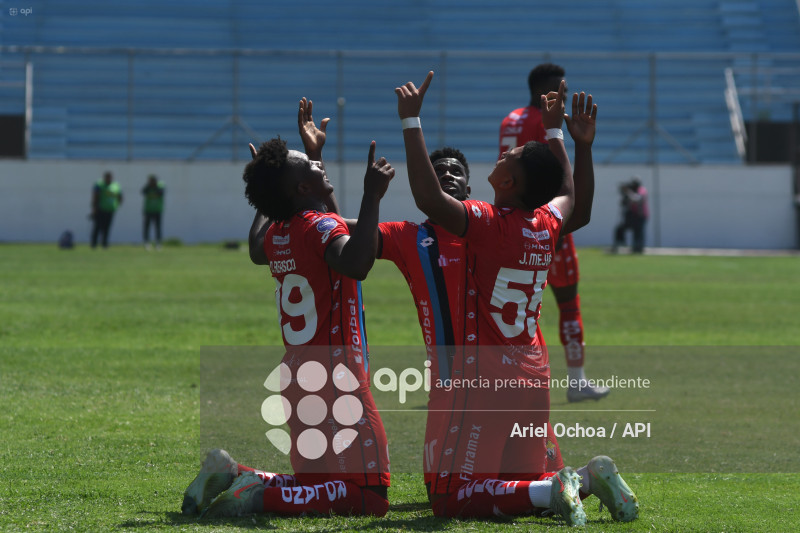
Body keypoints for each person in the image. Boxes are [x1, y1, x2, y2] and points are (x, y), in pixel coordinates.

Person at [395, 71, 637, 524]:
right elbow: (574, 201)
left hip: (486, 377)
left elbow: (429, 199)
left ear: (506, 182)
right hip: (533, 372)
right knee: (519, 482)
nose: (504, 151)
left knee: (453, 498)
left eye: (510, 155)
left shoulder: (487, 221)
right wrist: (568, 139)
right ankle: (586, 479)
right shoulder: (544, 224)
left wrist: (411, 123)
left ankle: (558, 488)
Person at [182, 97, 395, 519]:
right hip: (336, 375)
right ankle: (260, 497)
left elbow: (258, 246)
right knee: (371, 496)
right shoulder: (317, 228)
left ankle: (235, 473)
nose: (320, 167)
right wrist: (372, 196)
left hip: (298, 374)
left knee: (321, 485)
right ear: (302, 189)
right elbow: (357, 261)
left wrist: (286, 175)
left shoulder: (278, 233)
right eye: (312, 168)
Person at [499, 63, 609, 403]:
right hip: (546, 223)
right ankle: (576, 381)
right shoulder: (542, 122)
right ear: (541, 91)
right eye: (558, 91)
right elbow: (555, 174)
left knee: (507, 304)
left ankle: (499, 378)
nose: (563, 97)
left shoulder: (510, 118)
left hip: (511, 221)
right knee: (568, 303)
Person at [613, 177, 649, 253]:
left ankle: (638, 248)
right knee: (620, 229)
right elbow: (623, 203)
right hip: (632, 216)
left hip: (641, 216)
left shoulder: (642, 190)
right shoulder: (632, 191)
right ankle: (621, 244)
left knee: (638, 232)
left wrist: (628, 192)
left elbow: (637, 199)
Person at [90, 171, 122, 248]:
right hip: (100, 209)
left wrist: (117, 205)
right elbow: (95, 196)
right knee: (97, 227)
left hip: (110, 210)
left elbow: (120, 196)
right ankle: (94, 244)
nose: (108, 179)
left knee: (107, 228)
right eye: (107, 177)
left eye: (110, 177)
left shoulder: (116, 185)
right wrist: (94, 208)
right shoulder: (99, 185)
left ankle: (105, 244)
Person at [141, 174, 165, 250]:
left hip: (157, 210)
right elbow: (143, 192)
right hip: (148, 210)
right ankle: (146, 242)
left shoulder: (160, 186)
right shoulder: (147, 187)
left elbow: (161, 193)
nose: (152, 182)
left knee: (158, 227)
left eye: (153, 181)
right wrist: (149, 186)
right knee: (146, 227)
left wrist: (155, 187)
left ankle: (158, 243)